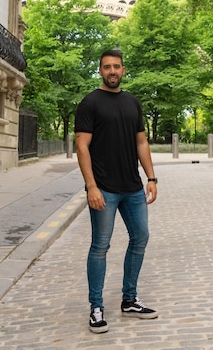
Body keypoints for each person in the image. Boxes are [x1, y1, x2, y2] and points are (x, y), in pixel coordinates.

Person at [75, 49, 158, 334]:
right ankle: (96, 307)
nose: (112, 71)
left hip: (132, 187)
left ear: (123, 70)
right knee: (101, 246)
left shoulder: (133, 103)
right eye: (107, 67)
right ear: (100, 71)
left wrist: (151, 177)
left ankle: (129, 299)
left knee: (140, 238)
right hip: (104, 189)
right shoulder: (90, 103)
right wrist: (91, 186)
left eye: (117, 67)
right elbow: (82, 146)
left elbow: (141, 143)